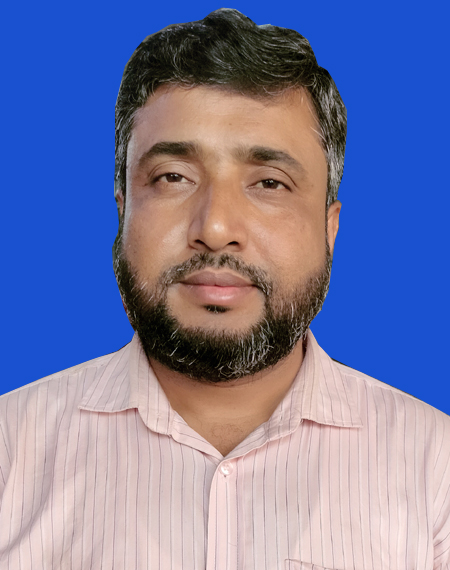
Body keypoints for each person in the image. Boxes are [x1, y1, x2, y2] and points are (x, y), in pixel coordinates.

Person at [0, 8, 449, 569]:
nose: (214, 227)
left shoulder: (436, 469)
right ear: (123, 208)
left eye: (269, 183)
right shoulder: (10, 451)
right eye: (173, 177)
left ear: (330, 227)